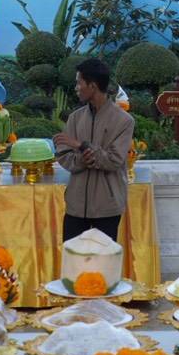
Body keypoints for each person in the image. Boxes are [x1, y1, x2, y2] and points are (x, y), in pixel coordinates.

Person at [54, 58, 135, 241]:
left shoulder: (124, 121)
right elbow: (64, 155)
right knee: (72, 256)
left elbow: (114, 160)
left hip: (107, 207)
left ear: (92, 85)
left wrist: (82, 146)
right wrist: (82, 159)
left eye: (79, 83)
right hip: (76, 206)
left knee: (104, 258)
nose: (76, 88)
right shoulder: (75, 118)